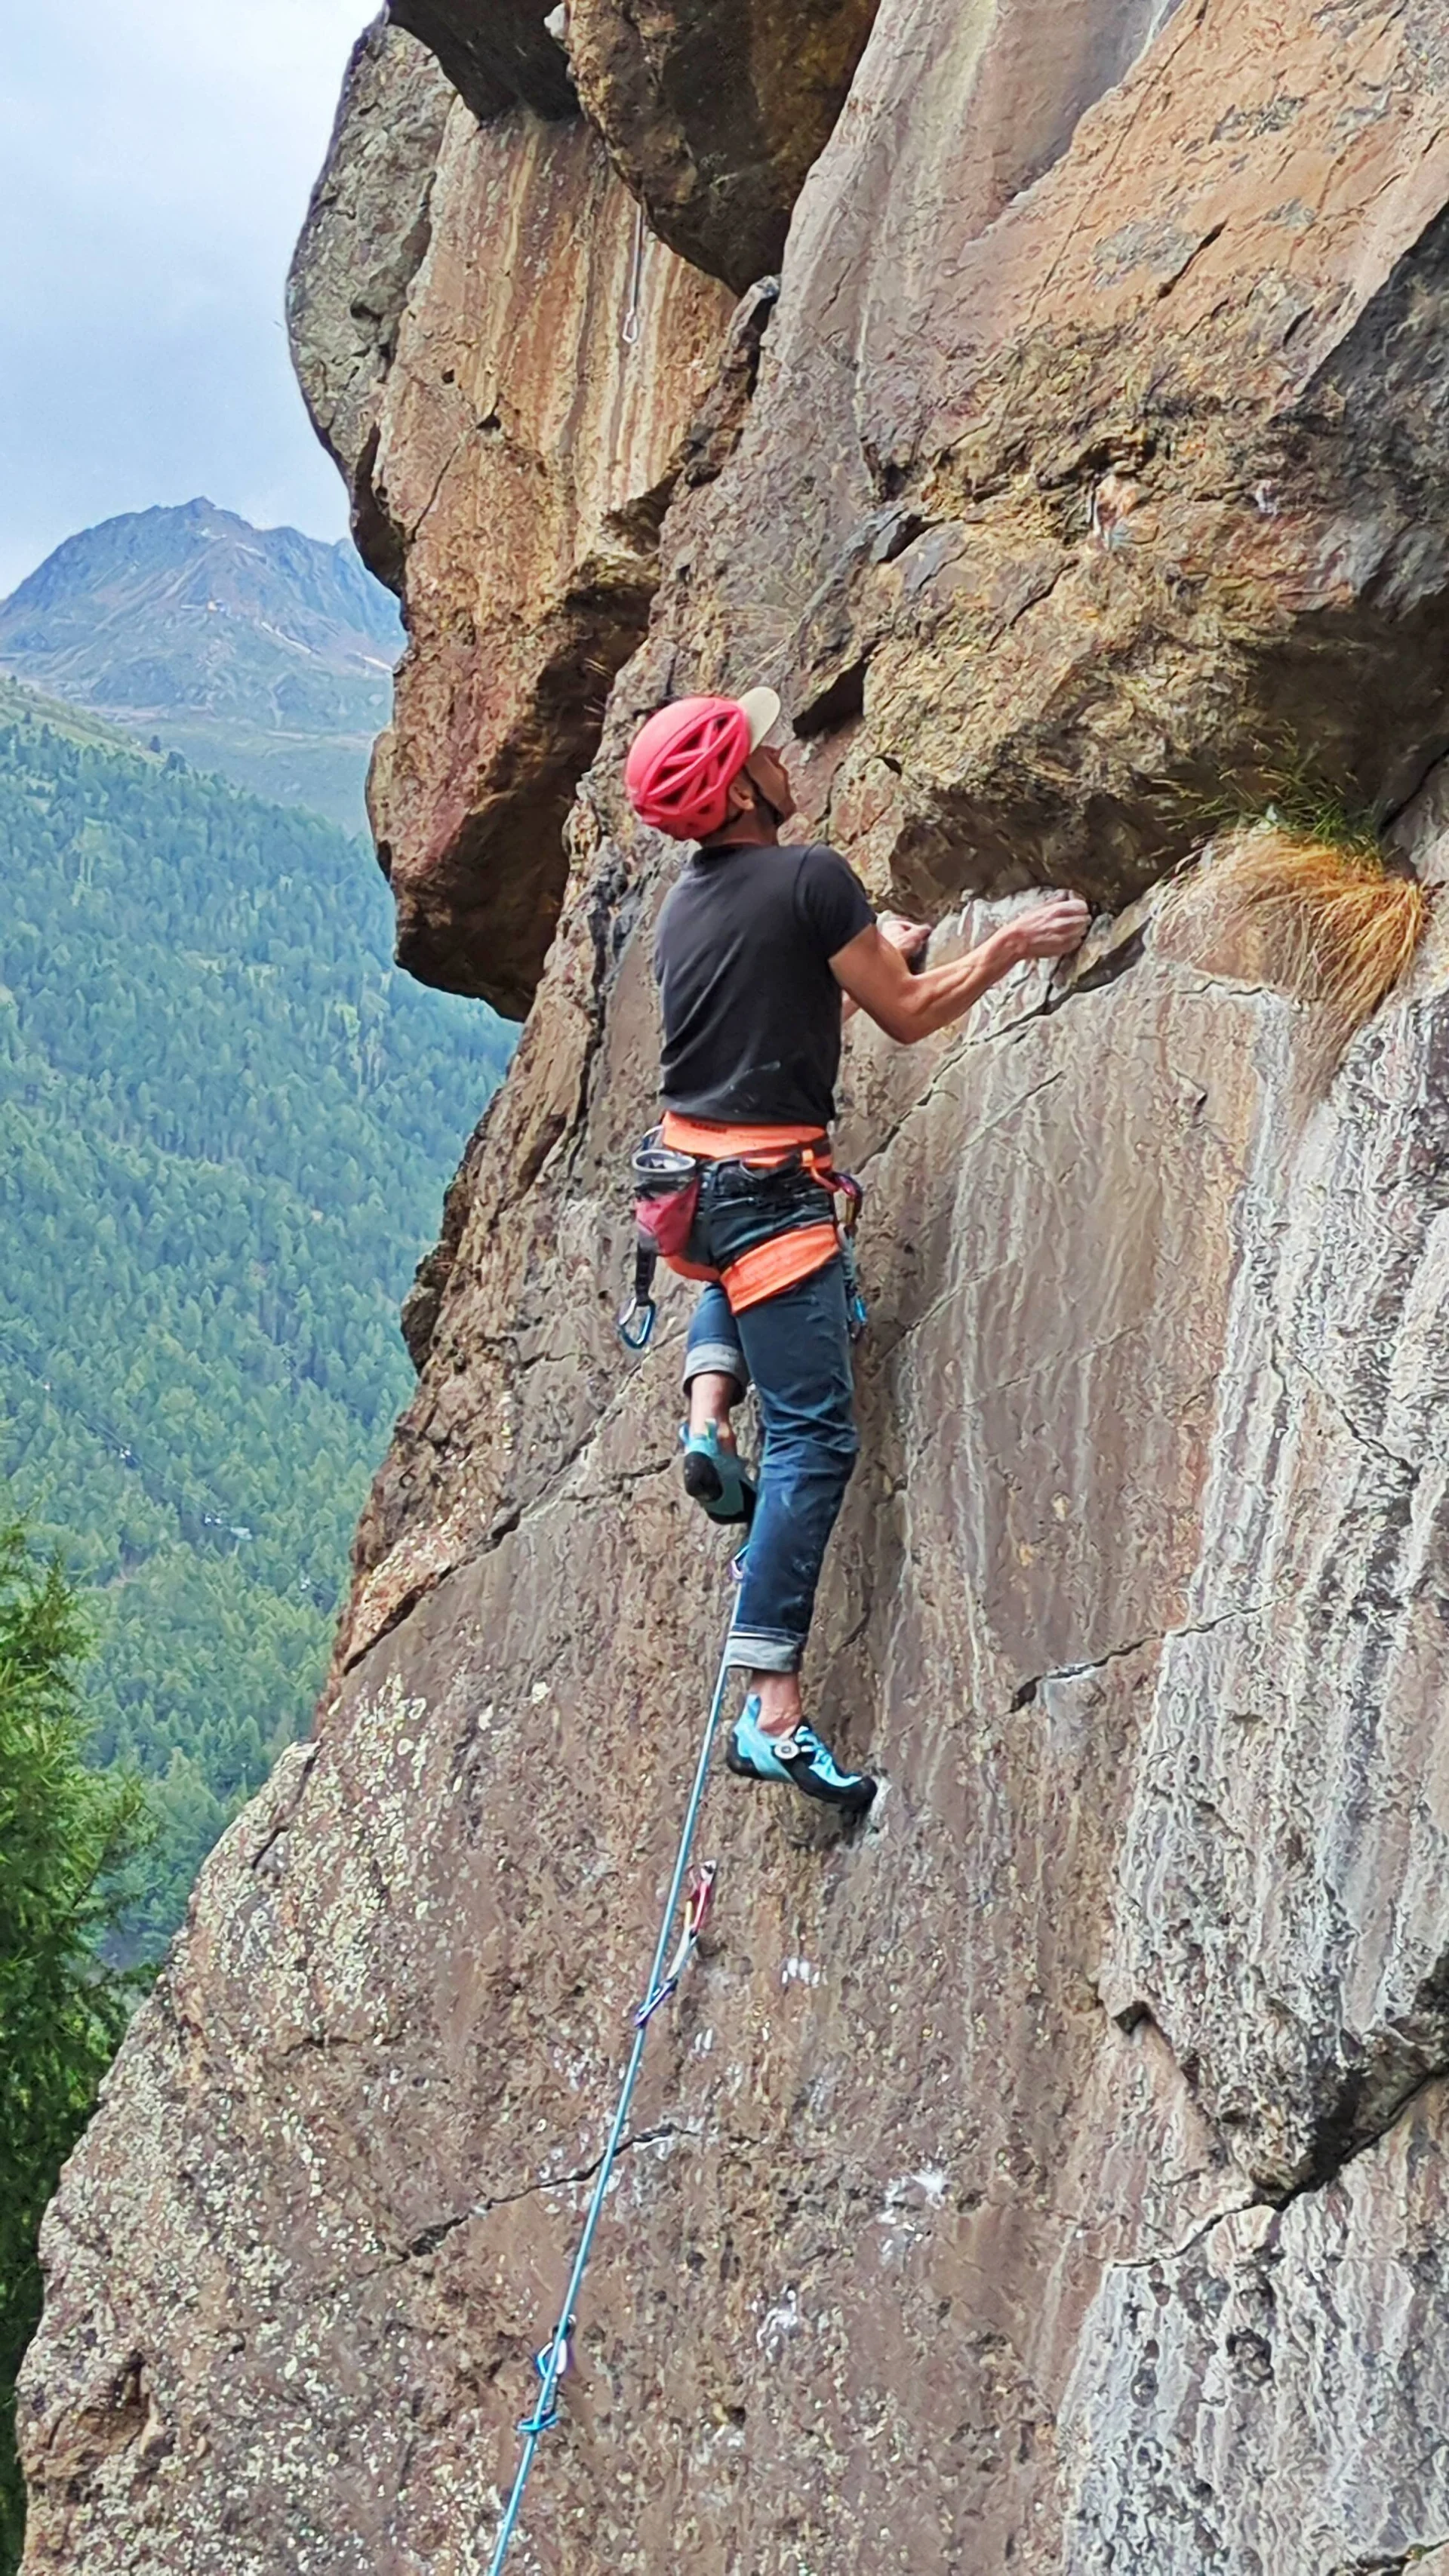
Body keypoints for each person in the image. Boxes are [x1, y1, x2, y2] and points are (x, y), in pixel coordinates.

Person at [626, 687, 1089, 1819]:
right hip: (768, 1199)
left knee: (742, 1291)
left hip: (692, 1182)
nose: (784, 755)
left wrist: (863, 954)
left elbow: (767, 1024)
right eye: (763, 751)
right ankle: (770, 1711)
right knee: (820, 1443)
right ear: (740, 790)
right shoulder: (813, 877)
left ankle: (704, 1419)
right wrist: (1012, 946)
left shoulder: (684, 910)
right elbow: (915, 1016)